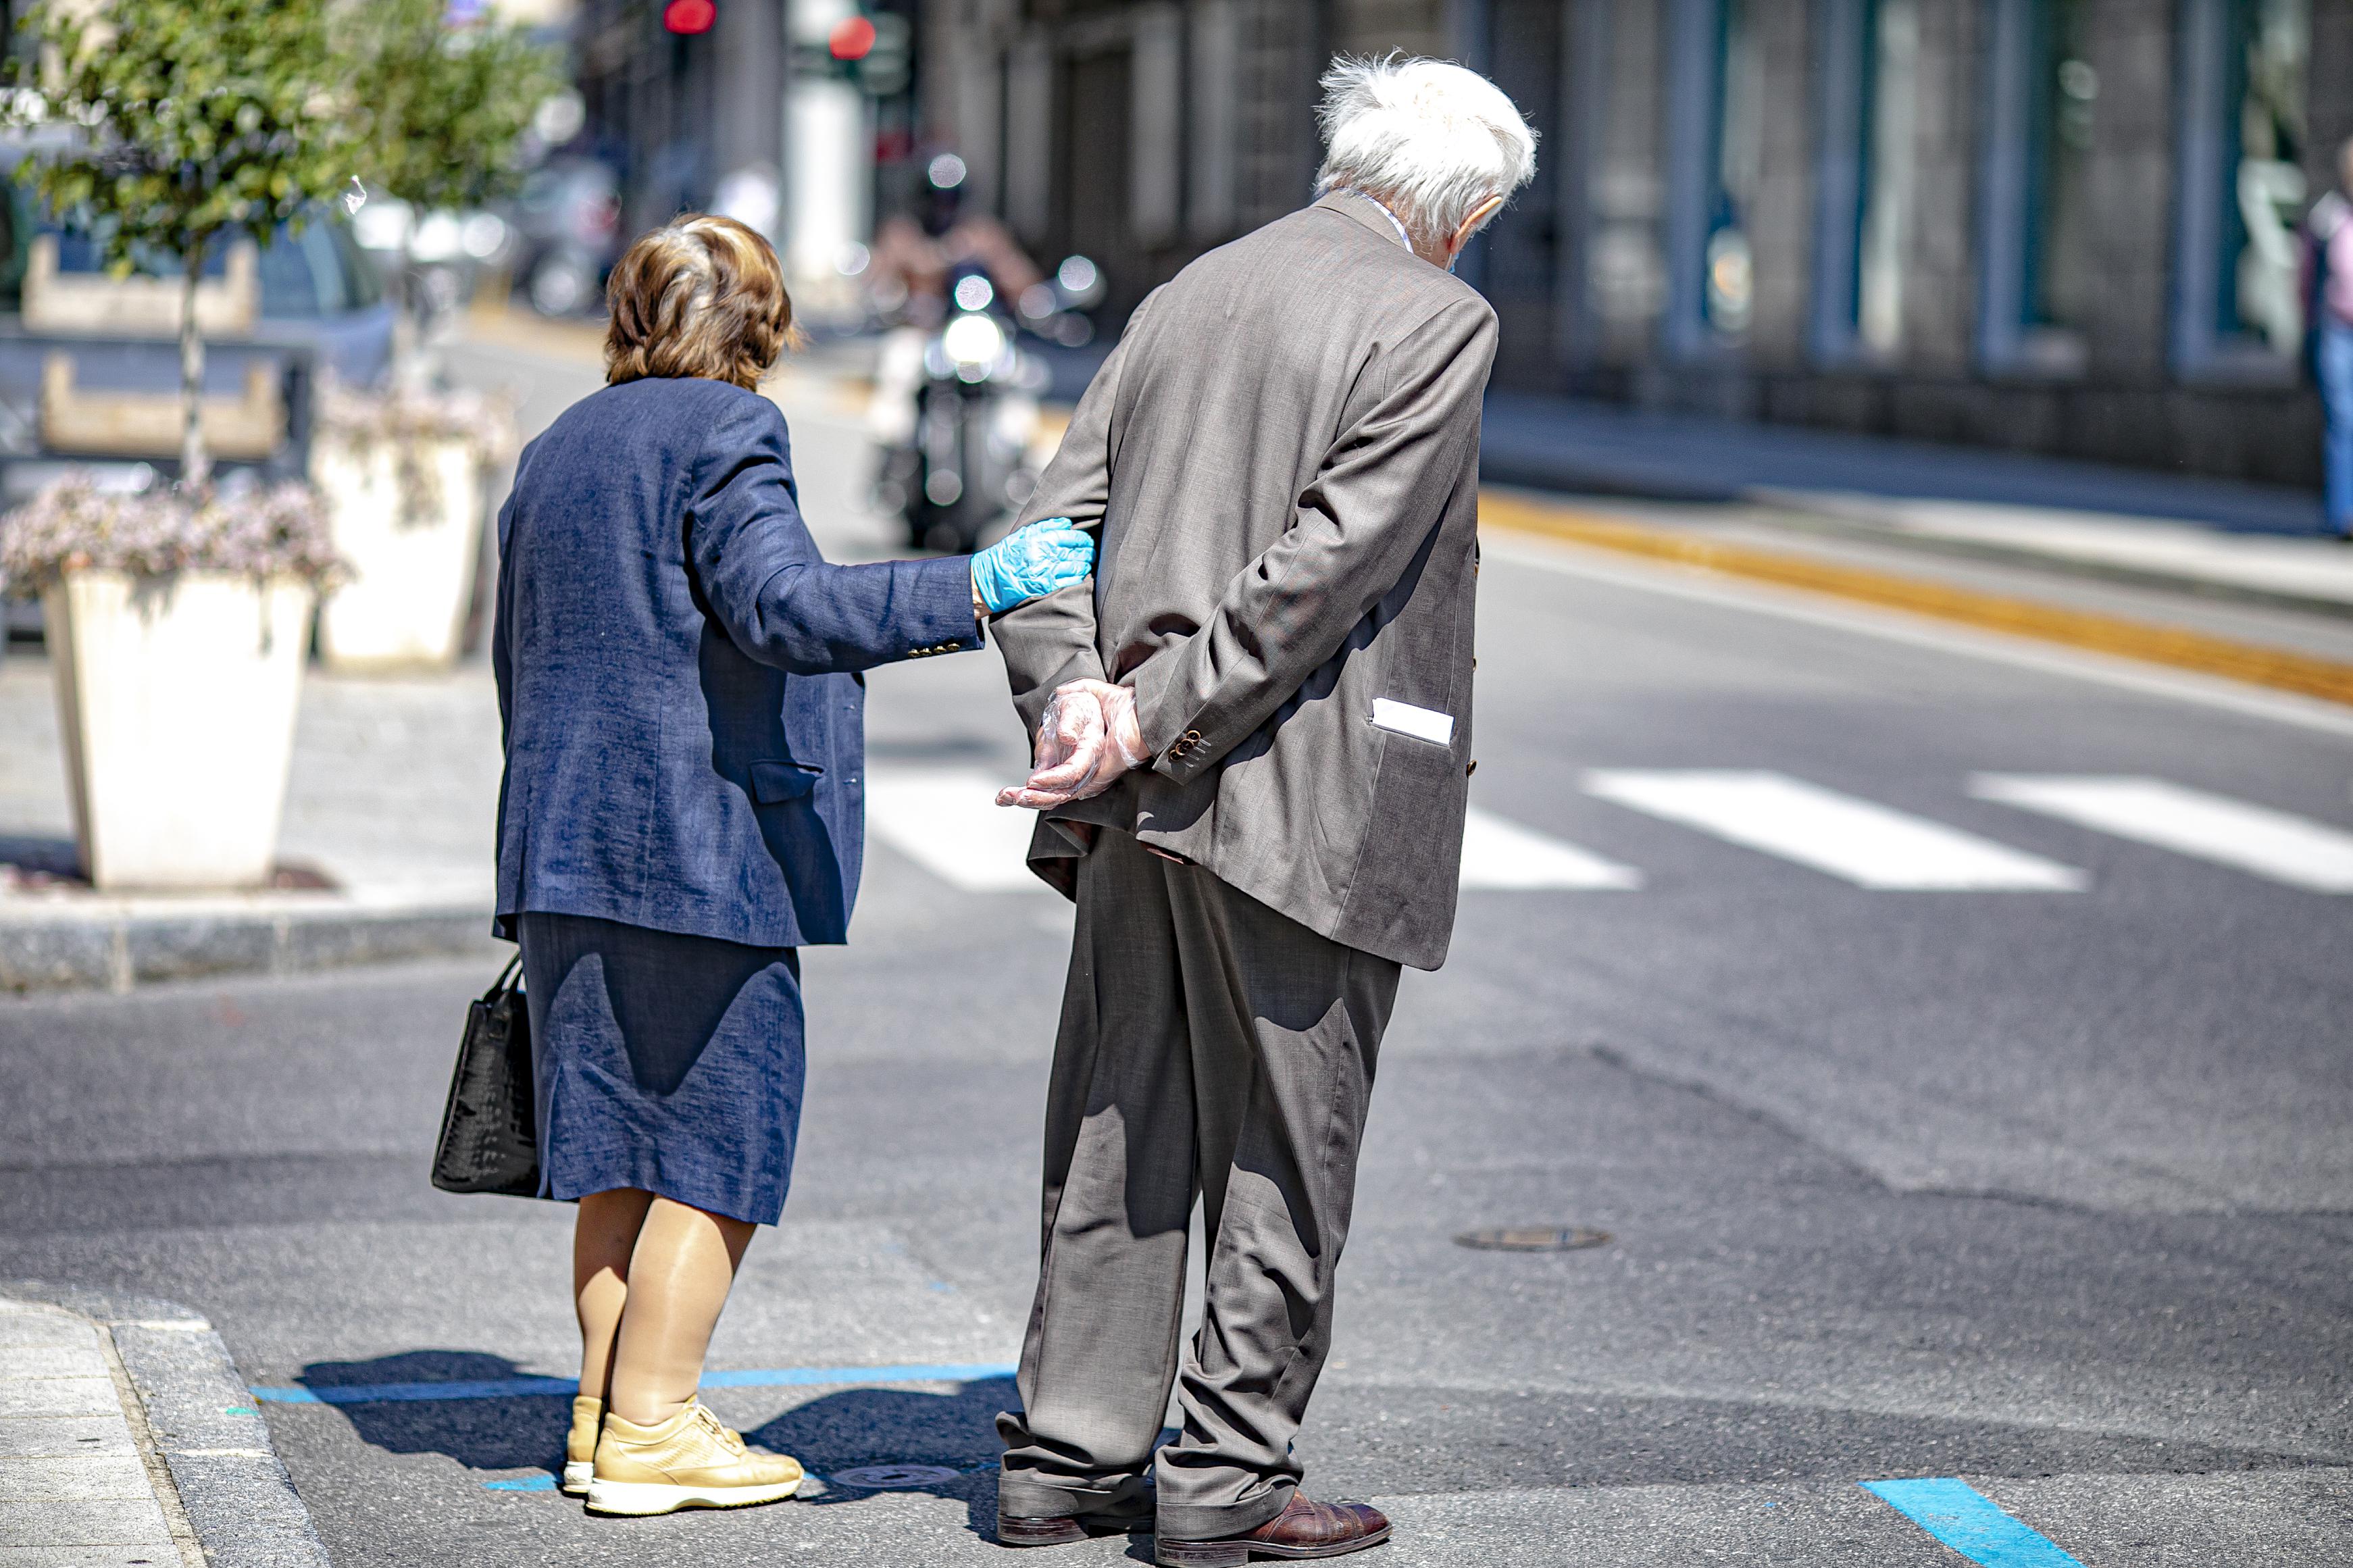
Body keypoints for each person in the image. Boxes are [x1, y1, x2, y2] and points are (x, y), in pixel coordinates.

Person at [984, 55, 1536, 1565]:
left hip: (1134, 799)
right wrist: (1141, 712)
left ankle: (1066, 1457)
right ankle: (1225, 1477)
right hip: (1313, 796)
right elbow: (1326, 570)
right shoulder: (1436, 317)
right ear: (1465, 207)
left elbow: (1035, 537)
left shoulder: (1188, 292)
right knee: (1289, 1149)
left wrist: (1074, 700)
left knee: (1120, 1118)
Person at [489, 213, 1094, 1517]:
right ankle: (653, 1431)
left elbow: (523, 656)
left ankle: (606, 1418)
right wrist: (979, 584)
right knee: (720, 1151)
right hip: (696, 853)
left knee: (614, 1154)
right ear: (757, 325)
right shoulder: (728, 433)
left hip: (560, 847)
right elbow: (788, 610)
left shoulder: (555, 448)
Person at [2306, 136, 2353, 541]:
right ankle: (2343, 516)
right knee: (2343, 419)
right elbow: (2307, 278)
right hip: (2338, 329)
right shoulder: (2329, 218)